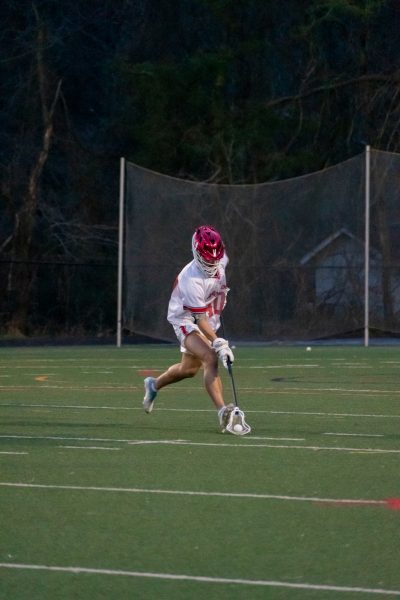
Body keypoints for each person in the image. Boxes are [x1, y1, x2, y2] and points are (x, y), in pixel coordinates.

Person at [142, 225, 250, 435]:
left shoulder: (221, 259)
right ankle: (223, 412)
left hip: (208, 317)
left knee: (188, 370)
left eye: (215, 258)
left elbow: (207, 311)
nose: (212, 262)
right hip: (186, 319)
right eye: (207, 259)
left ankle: (154, 385)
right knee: (210, 357)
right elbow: (198, 319)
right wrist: (219, 342)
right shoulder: (190, 280)